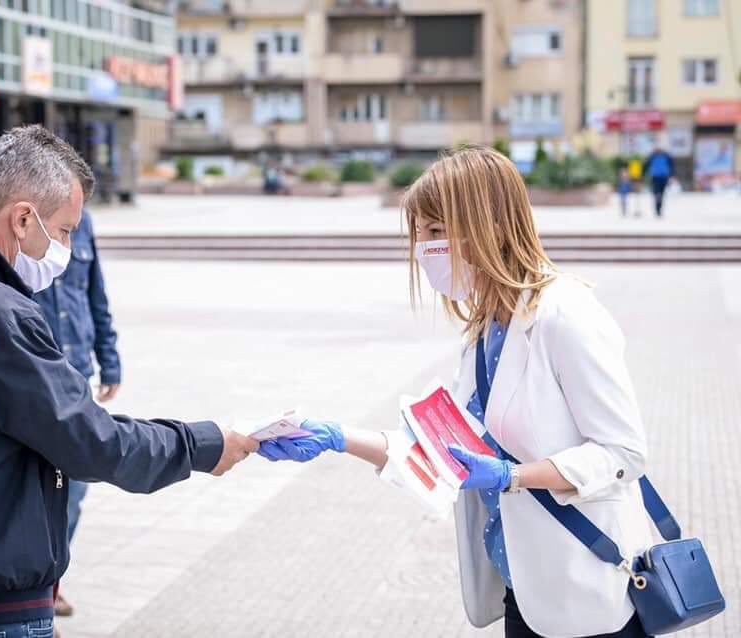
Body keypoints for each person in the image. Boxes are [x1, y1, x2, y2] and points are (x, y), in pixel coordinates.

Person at [0, 125, 258, 638]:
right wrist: (205, 444)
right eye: (65, 230)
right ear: (23, 219)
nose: (69, 247)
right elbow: (92, 442)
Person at [260, 148, 654, 637]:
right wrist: (339, 437)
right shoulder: (486, 329)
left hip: (586, 592)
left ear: (486, 226)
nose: (423, 249)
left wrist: (513, 475)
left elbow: (623, 453)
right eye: (418, 234)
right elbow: (440, 455)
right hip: (524, 591)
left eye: (435, 232)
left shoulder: (566, 314)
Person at [33, 211, 121, 618]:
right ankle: (36, 591)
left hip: (79, 373)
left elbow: (94, 292)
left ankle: (51, 582)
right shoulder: (26, 222)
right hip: (36, 377)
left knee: (76, 490)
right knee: (38, 490)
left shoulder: (82, 222)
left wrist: (110, 358)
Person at [644, 147, 675, 218]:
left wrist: (671, 176)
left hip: (664, 177)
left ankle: (659, 208)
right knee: (656, 193)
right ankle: (657, 208)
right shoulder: (652, 157)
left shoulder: (666, 157)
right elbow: (646, 166)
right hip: (655, 178)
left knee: (661, 194)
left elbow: (671, 167)